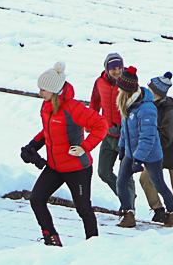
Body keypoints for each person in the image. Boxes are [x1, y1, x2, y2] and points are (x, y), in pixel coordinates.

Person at [23, 62, 109, 245]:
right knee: (36, 199)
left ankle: (94, 245)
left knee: (83, 209)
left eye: (43, 90)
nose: (40, 93)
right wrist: (32, 145)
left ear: (54, 91)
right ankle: (51, 238)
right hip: (55, 166)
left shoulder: (73, 108)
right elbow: (48, 131)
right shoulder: (46, 106)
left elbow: (101, 125)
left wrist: (85, 147)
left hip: (77, 168)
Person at [113, 71, 173, 228]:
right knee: (121, 182)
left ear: (127, 89)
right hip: (131, 152)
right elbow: (125, 129)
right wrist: (122, 146)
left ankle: (172, 213)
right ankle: (128, 214)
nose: (118, 91)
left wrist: (139, 159)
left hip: (150, 155)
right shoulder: (126, 103)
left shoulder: (147, 108)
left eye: (121, 89)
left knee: (159, 184)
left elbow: (147, 138)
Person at [135, 73, 173, 228]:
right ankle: (159, 210)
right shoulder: (148, 105)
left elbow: (165, 139)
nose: (147, 91)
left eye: (150, 90)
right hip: (156, 155)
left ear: (158, 93)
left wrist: (146, 146)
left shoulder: (171, 112)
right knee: (145, 180)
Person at [91, 52, 128, 191]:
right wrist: (91, 123)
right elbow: (95, 102)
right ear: (107, 69)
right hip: (107, 134)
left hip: (124, 136)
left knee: (126, 175)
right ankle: (123, 195)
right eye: (113, 69)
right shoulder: (100, 82)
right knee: (103, 172)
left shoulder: (128, 82)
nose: (117, 71)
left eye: (119, 68)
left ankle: (128, 201)